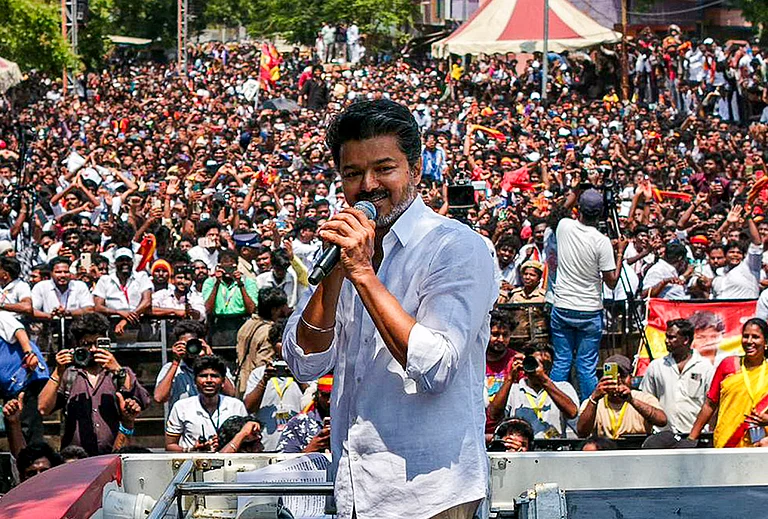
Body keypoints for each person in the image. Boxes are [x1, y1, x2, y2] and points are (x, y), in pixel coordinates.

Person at [283, 100, 497, 519]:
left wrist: (363, 273)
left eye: (384, 168)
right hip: (355, 494)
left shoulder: (456, 247)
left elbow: (436, 366)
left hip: (432, 496)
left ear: (415, 170)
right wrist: (335, 273)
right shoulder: (339, 251)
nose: (367, 186)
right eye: (352, 174)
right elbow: (304, 363)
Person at [550, 188, 627, 400]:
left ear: (578, 210)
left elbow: (556, 212)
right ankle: (589, 411)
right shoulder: (601, 241)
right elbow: (611, 282)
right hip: (589, 310)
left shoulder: (564, 227)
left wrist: (575, 190)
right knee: (586, 367)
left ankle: (555, 409)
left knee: (562, 361)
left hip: (563, 305)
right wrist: (619, 251)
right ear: (601, 214)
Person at [37, 313, 150, 455]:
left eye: (97, 343)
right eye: (86, 344)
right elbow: (43, 408)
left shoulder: (118, 373)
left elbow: (144, 401)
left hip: (114, 456)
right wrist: (57, 372)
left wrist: (117, 369)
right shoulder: (68, 375)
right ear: (76, 346)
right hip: (76, 461)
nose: (92, 349)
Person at [688, 318, 768, 448]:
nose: (749, 341)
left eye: (755, 337)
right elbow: (709, 404)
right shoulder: (728, 364)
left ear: (766, 342)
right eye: (746, 336)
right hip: (727, 442)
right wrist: (691, 438)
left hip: (762, 444)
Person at [640, 319, 714, 444]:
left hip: (695, 437)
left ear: (685, 340)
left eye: (672, 337)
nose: (666, 341)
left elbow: (712, 404)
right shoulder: (656, 366)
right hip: (662, 437)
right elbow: (646, 399)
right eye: (666, 337)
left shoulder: (705, 367)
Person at [488, 343, 578, 439]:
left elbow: (572, 413)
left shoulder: (563, 387)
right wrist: (509, 378)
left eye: (546, 364)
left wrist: (544, 380)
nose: (542, 368)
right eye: (536, 363)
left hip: (554, 447)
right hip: (522, 448)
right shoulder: (514, 390)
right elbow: (494, 415)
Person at [243, 319, 305, 450]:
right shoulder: (259, 373)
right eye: (280, 341)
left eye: (290, 340)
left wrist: (298, 376)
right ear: (272, 344)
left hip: (298, 444)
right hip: (267, 443)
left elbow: (313, 402)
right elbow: (249, 407)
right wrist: (264, 380)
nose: (285, 346)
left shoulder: (306, 373)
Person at [165, 355, 247, 452]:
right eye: (203, 376)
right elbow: (170, 445)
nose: (209, 380)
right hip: (193, 464)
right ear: (195, 381)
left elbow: (246, 441)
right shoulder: (181, 407)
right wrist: (192, 449)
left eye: (214, 376)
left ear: (223, 381)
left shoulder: (236, 406)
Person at [577, 354, 667, 439]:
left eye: (623, 376)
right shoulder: (594, 402)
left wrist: (632, 401)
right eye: (613, 377)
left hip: (636, 449)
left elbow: (662, 421)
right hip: (606, 449)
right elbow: (582, 432)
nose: (618, 381)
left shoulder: (644, 398)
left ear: (631, 378)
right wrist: (594, 399)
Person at [154, 320, 235, 409]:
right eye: (185, 345)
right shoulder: (171, 368)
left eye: (193, 344)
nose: (190, 348)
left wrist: (211, 359)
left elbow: (231, 393)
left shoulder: (217, 367)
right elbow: (159, 398)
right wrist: (176, 362)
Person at [236, 287, 291, 394]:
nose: (286, 309)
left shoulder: (246, 325)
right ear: (274, 310)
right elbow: (263, 365)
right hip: (255, 388)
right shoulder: (270, 332)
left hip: (241, 384)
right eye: (283, 306)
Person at [203, 249, 258, 346]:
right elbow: (208, 309)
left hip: (241, 323)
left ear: (236, 266)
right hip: (218, 325)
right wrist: (217, 283)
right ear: (219, 266)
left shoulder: (248, 282)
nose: (227, 271)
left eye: (231, 267)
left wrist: (240, 284)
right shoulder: (210, 282)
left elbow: (251, 309)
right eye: (225, 267)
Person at [92, 248, 153, 336]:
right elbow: (98, 307)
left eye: (127, 260)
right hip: (113, 325)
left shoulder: (141, 277)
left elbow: (147, 302)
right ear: (115, 263)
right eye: (121, 260)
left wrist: (127, 318)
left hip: (139, 324)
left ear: (132, 262)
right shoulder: (105, 280)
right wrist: (118, 312)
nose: (125, 263)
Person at [277, 374, 332, 454]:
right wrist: (310, 449)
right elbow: (283, 462)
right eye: (325, 395)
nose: (329, 401)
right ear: (317, 395)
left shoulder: (354, 423)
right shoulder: (297, 424)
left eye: (334, 395)